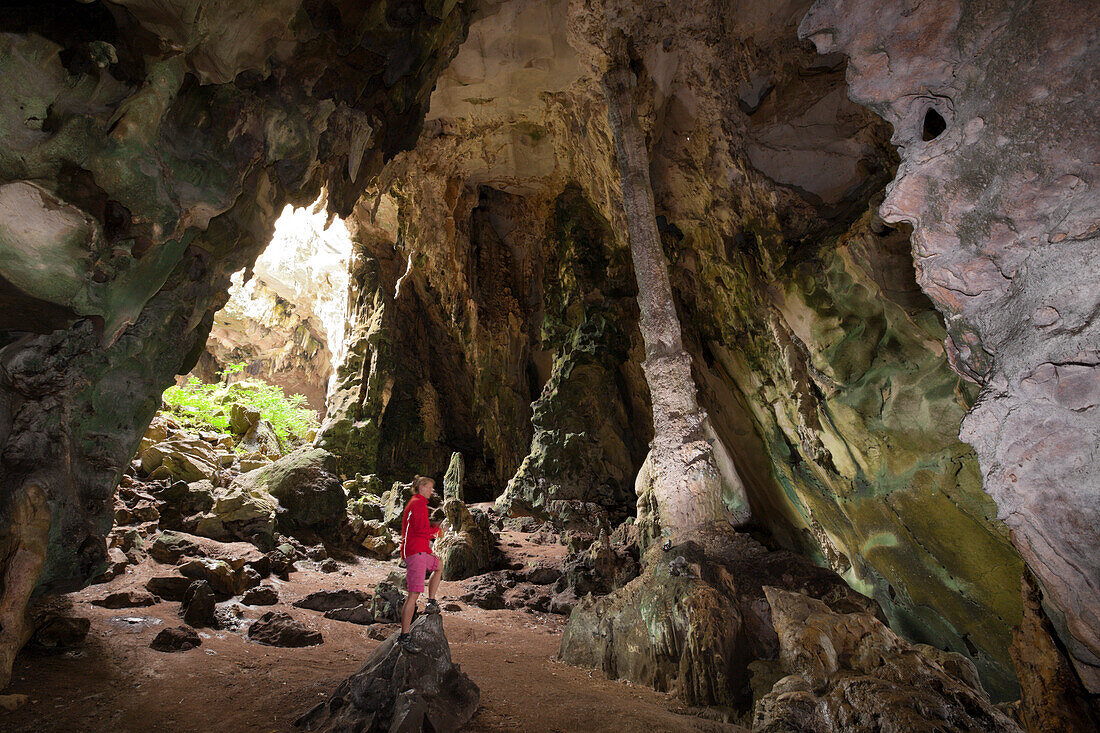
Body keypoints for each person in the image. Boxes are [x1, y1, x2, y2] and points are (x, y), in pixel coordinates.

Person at [398, 475, 442, 651]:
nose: (432, 491)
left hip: (420, 550)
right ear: (422, 487)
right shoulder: (417, 504)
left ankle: (431, 601)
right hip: (416, 552)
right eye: (430, 487)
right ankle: (404, 636)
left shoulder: (418, 503)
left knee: (439, 566)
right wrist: (436, 530)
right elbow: (420, 529)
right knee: (413, 595)